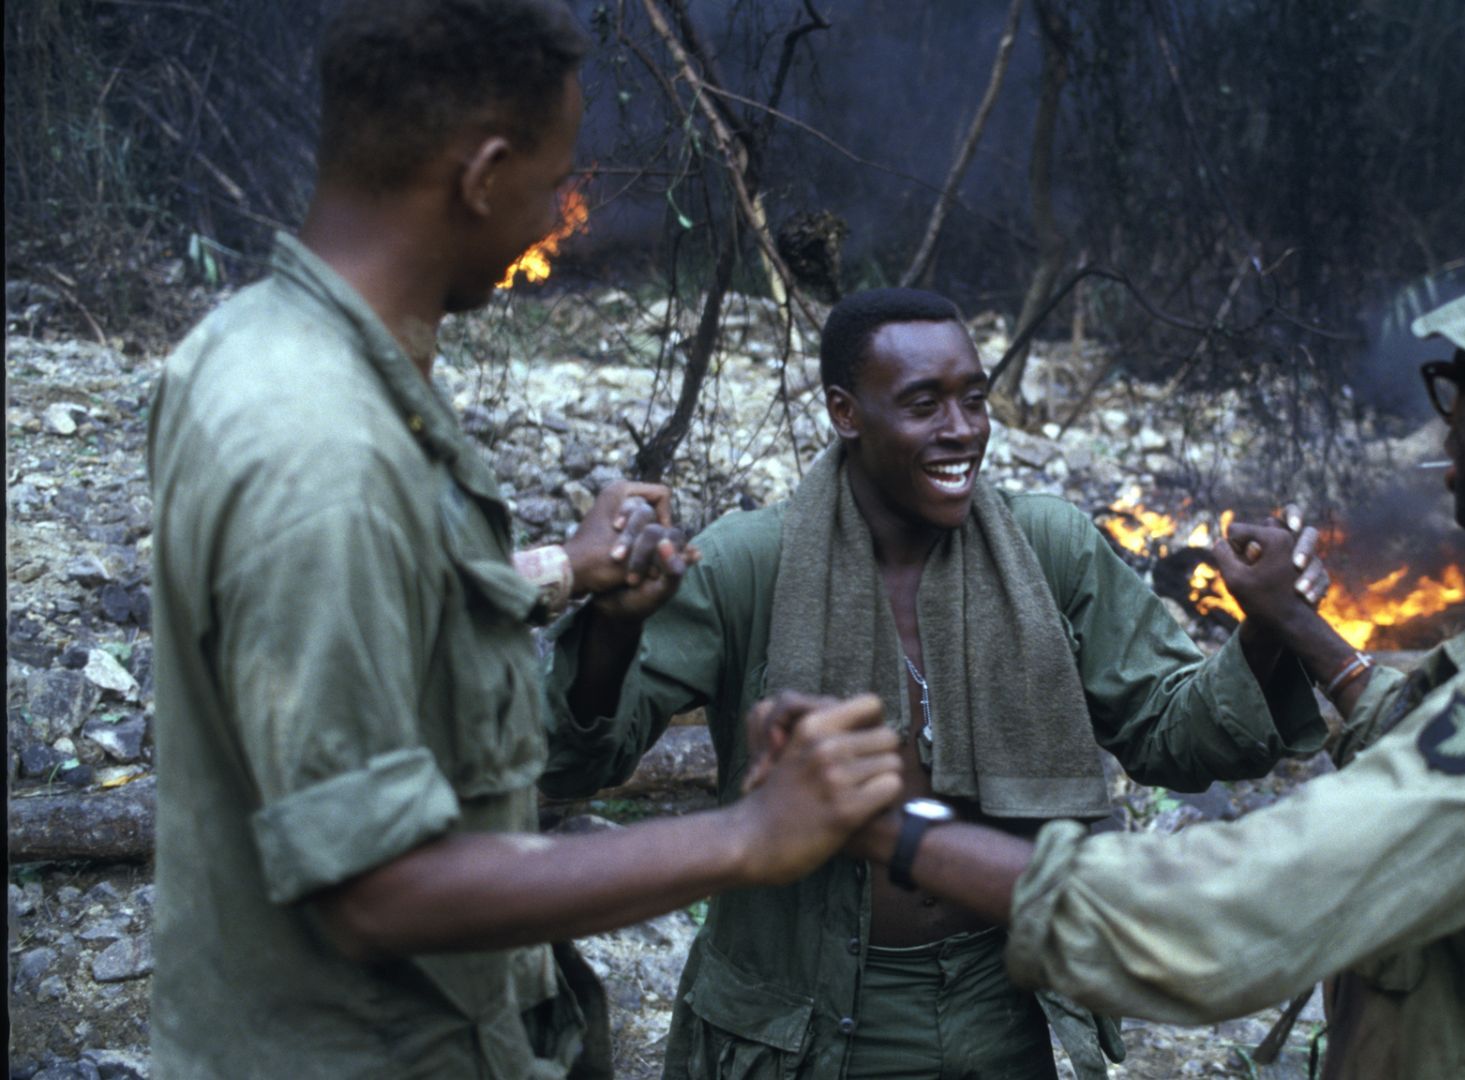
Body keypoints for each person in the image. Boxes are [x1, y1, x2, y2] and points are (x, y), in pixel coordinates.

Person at [811, 217, 1465, 1078]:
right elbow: (1445, 749)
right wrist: (1298, 629)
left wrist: (899, 831)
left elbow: (1221, 920)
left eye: (1461, 391)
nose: (1444, 420)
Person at [145, 3, 903, 1077]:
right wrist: (747, 836)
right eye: (555, 185)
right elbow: (377, 889)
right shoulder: (323, 450)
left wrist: (564, 573)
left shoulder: (264, 350)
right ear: (482, 173)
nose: (559, 219)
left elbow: (370, 603)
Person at [540, 287, 1332, 1078]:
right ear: (846, 413)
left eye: (974, 399)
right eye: (924, 404)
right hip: (796, 1028)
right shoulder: (752, 563)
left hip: (1000, 1010)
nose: (962, 430)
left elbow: (1172, 736)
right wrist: (612, 627)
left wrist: (1266, 629)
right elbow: (573, 762)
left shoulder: (1047, 548)